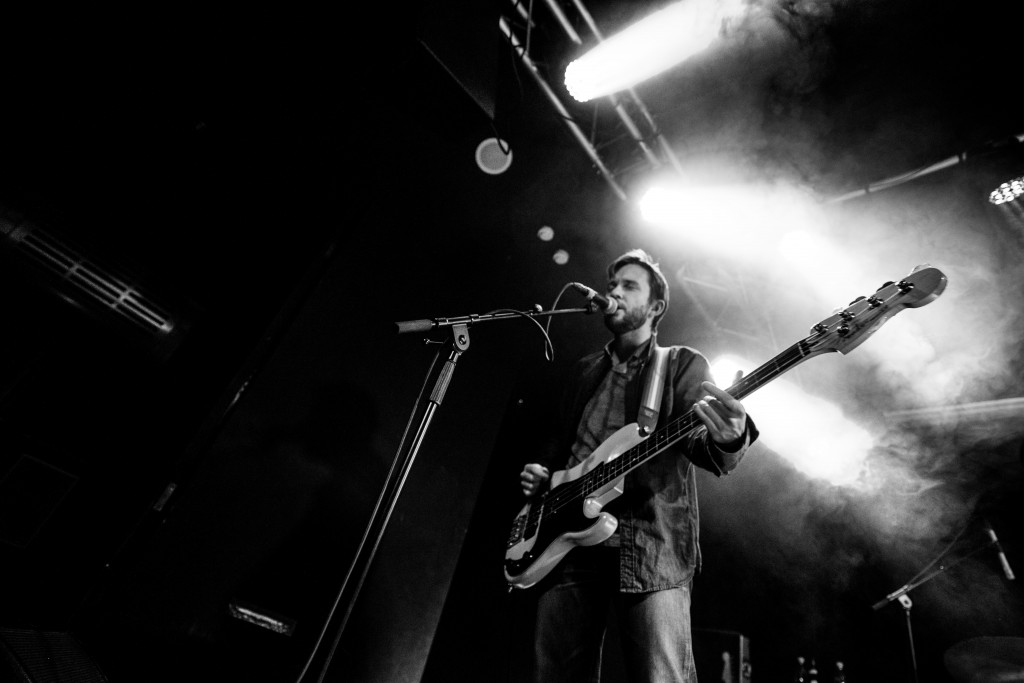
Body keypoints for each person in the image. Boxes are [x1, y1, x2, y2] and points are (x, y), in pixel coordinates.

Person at [518, 248, 759, 683]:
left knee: (660, 676)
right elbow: (560, 441)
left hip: (650, 540)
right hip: (565, 541)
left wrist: (730, 437)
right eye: (613, 285)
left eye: (629, 286)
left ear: (655, 306)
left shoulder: (681, 363)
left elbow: (700, 442)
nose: (614, 292)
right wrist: (540, 472)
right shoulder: (585, 368)